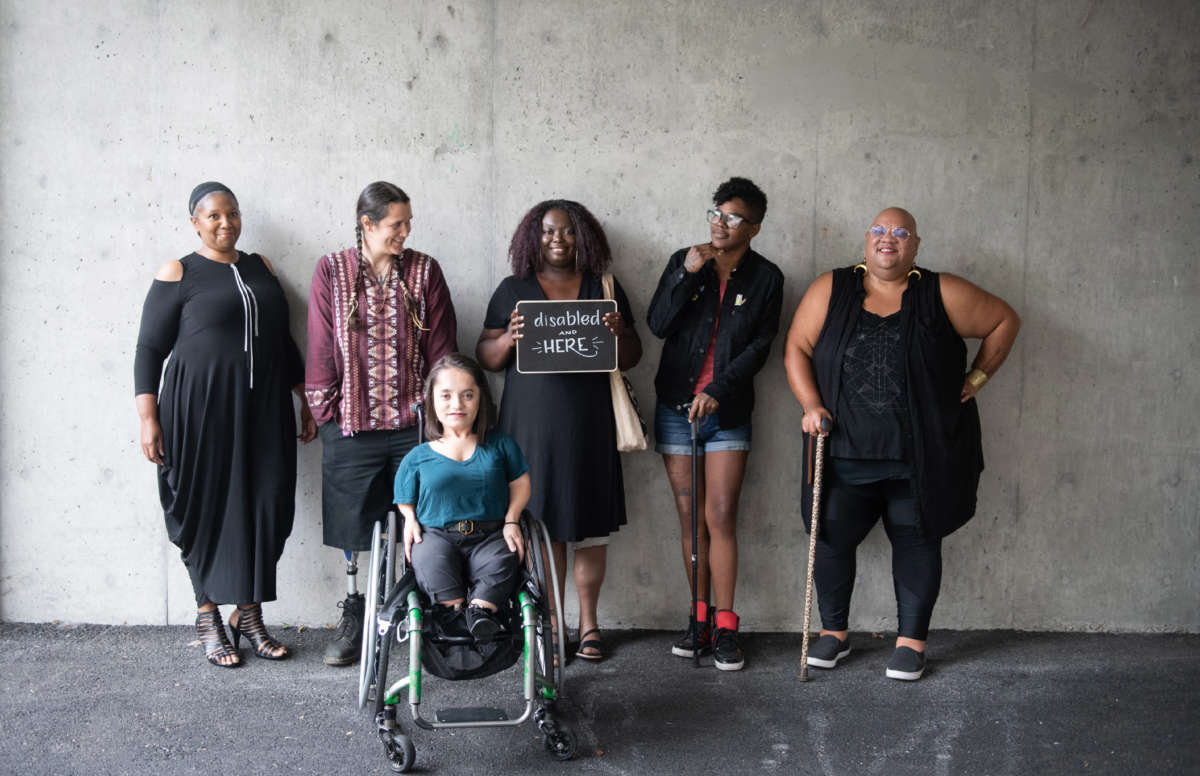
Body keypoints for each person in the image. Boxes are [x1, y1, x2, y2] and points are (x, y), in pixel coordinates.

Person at [783, 206, 1020, 680]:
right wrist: (811, 404)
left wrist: (978, 376)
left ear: (914, 245)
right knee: (828, 536)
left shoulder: (941, 292)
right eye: (878, 230)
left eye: (899, 232)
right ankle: (834, 634)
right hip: (843, 449)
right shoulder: (831, 288)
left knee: (916, 539)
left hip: (919, 455)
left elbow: (1003, 321)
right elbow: (797, 348)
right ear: (865, 239)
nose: (886, 238)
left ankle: (911, 642)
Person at [135, 181, 317, 667]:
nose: (225, 223)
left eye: (232, 214)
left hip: (262, 412)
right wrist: (148, 417)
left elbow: (281, 340)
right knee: (205, 506)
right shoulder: (180, 271)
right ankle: (208, 614)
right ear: (195, 221)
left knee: (266, 504)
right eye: (213, 216)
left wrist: (303, 395)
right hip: (198, 412)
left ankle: (249, 615)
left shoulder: (262, 268)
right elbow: (149, 349)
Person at [477, 199, 642, 661]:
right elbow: (486, 357)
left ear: (583, 236)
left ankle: (590, 625)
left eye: (568, 232)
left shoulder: (603, 287)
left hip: (590, 423)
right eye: (549, 231)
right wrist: (509, 336)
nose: (558, 240)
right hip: (531, 427)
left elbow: (632, 355)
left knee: (588, 525)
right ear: (533, 236)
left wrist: (616, 333)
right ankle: (551, 624)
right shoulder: (515, 289)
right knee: (541, 525)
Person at [306, 181, 458, 666]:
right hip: (352, 425)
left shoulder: (424, 271)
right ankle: (357, 612)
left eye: (408, 223)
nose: (405, 232)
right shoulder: (331, 271)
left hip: (413, 428)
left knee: (425, 521)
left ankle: (419, 611)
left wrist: (443, 420)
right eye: (397, 224)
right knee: (356, 527)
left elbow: (443, 350)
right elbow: (321, 346)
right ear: (367, 224)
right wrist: (327, 414)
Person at [647, 177, 784, 671]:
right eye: (716, 213)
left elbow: (758, 348)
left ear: (755, 226)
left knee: (720, 516)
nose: (720, 224)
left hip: (726, 412)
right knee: (689, 520)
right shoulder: (686, 260)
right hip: (674, 407)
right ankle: (697, 618)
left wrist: (716, 391)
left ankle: (727, 625)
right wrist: (686, 274)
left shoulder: (767, 277)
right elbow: (658, 324)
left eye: (733, 218)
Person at [395, 354, 531, 639]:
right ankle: (452, 613)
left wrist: (512, 520)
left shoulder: (500, 444)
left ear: (480, 398)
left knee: (503, 559)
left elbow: (520, 483)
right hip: (436, 535)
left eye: (467, 395)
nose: (457, 404)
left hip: (491, 534)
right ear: (432, 400)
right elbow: (404, 497)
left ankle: (480, 613)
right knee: (430, 561)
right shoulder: (418, 456)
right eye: (446, 396)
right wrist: (409, 519)